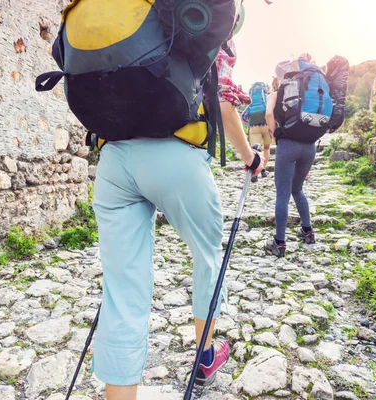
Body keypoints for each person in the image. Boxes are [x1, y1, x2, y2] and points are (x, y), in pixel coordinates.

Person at [92, 43, 266, 400]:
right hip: (176, 153)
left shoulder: (128, 18)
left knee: (122, 290)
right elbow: (224, 103)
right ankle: (204, 357)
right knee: (206, 256)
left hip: (113, 159)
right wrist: (250, 157)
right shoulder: (199, 25)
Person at [264, 55, 319, 258]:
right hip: (310, 147)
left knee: (283, 194)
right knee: (298, 189)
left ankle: (279, 243)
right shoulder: (306, 91)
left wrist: (275, 134)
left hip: (288, 146)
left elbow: (269, 114)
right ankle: (308, 231)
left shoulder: (277, 91)